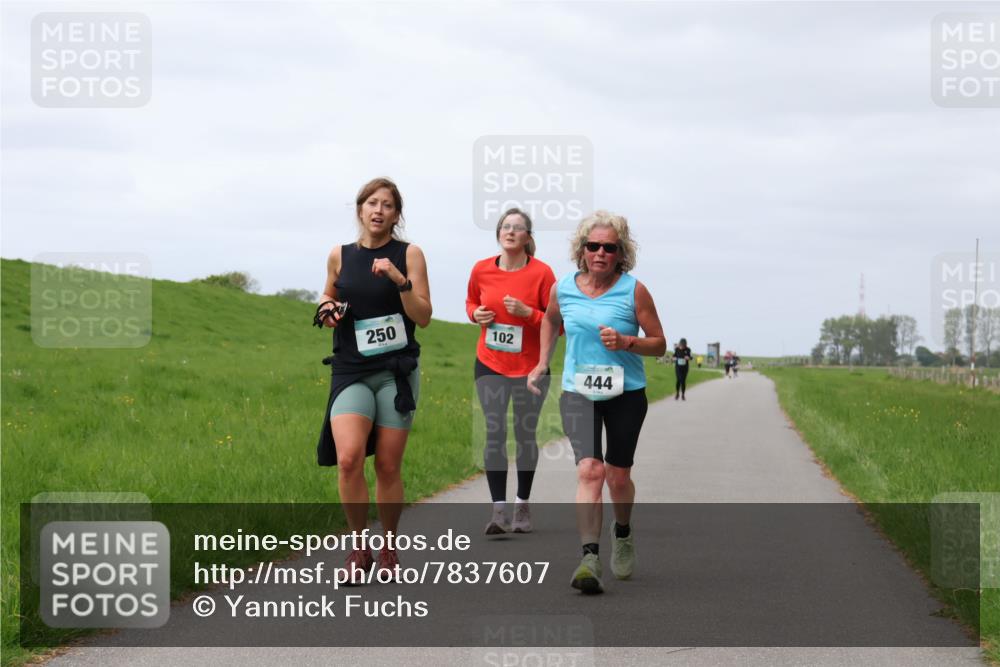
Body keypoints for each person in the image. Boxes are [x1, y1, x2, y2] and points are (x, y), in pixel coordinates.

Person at [528, 211, 665, 594]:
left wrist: (627, 342)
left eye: (609, 247)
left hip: (626, 393)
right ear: (582, 250)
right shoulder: (564, 288)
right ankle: (589, 557)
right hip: (578, 390)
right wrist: (542, 362)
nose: (600, 253)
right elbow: (550, 321)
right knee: (590, 470)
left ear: (621, 253)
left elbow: (659, 343)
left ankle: (622, 531)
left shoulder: (634, 291)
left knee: (617, 477)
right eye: (593, 246)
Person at [315, 177, 432, 584]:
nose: (378, 210)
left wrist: (400, 281)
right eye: (372, 203)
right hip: (350, 369)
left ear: (396, 215)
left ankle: (389, 547)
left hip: (394, 372)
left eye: (387, 205)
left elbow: (423, 316)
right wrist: (328, 309)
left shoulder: (409, 253)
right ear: (360, 209)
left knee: (386, 465)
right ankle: (358, 548)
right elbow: (327, 296)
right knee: (348, 458)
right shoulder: (340, 254)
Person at [467, 208, 557, 535]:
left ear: (528, 238)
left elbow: (555, 323)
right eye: (506, 226)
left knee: (524, 435)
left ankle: (522, 504)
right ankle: (497, 510)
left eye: (518, 228)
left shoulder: (543, 274)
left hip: (531, 369)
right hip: (490, 363)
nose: (511, 231)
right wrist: (476, 314)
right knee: (494, 432)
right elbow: (470, 303)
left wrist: (529, 313)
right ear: (498, 233)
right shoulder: (481, 270)